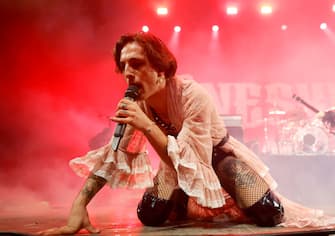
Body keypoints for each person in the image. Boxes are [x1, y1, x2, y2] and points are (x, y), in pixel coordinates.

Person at [38, 32, 335, 235]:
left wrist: (146, 125)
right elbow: (113, 156)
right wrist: (79, 205)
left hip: (217, 160)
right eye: (124, 65)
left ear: (162, 70)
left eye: (137, 64)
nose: (127, 73)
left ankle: (222, 198)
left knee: (269, 213)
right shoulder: (137, 103)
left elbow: (195, 157)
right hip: (174, 165)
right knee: (150, 217)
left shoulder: (192, 95)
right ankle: (181, 199)